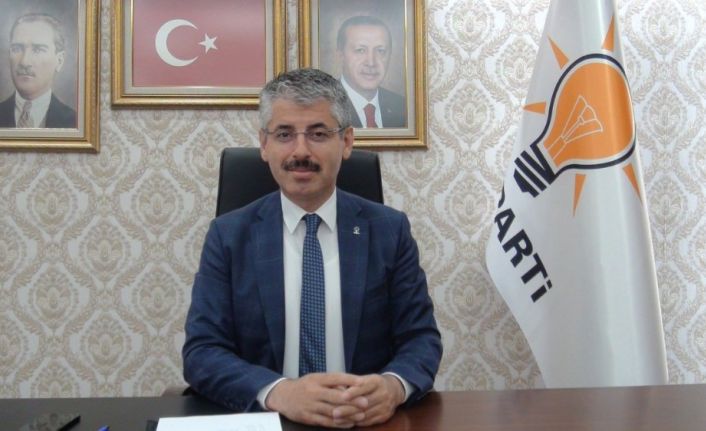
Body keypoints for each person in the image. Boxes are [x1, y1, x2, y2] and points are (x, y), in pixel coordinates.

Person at [183, 68, 441, 428]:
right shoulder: (228, 236)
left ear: (347, 142)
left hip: (362, 420)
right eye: (284, 134)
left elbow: (420, 339)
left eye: (318, 134)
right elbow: (202, 352)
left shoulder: (389, 231)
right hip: (269, 420)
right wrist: (280, 392)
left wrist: (393, 387)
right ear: (264, 144)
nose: (300, 151)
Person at [0, 13, 76, 129]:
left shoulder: (75, 122)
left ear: (59, 61)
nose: (24, 62)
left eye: (38, 50)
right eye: (17, 49)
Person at [336, 15, 406, 128]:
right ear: (341, 55)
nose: (371, 62)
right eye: (360, 50)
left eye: (380, 51)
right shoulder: (323, 106)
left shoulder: (403, 107)